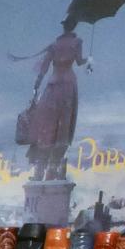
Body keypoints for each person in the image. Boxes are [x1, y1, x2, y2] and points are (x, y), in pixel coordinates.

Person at [18, 16, 91, 182]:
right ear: (74, 27)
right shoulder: (77, 42)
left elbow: (44, 67)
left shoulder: (54, 45)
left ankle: (39, 172)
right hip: (68, 87)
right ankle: (52, 171)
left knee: (46, 127)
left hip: (53, 86)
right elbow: (80, 61)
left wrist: (36, 86)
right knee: (63, 129)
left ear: (64, 27)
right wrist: (89, 60)